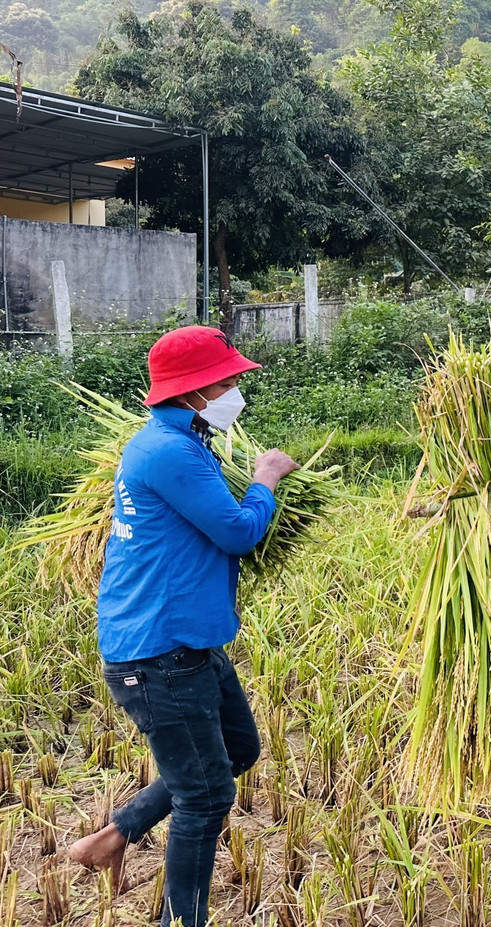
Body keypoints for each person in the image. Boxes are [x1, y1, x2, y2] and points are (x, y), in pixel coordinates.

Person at [67, 326, 300, 927]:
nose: (236, 391)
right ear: (195, 390)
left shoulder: (185, 441)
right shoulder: (167, 452)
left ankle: (113, 837)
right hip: (159, 653)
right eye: (228, 382)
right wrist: (266, 477)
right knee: (204, 795)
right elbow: (239, 532)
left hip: (190, 642)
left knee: (239, 749)